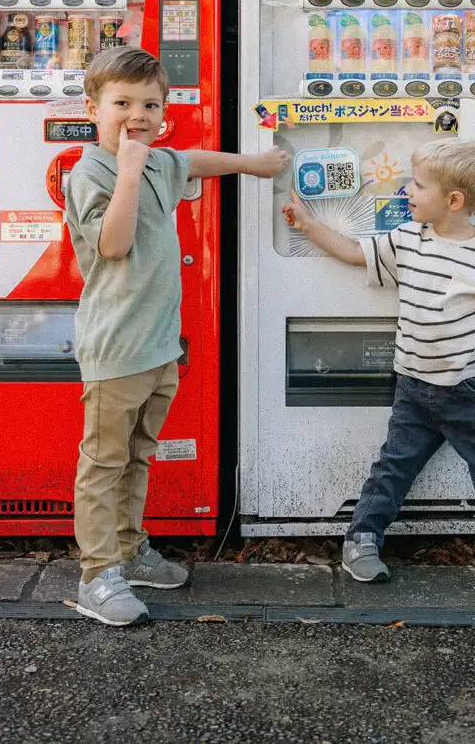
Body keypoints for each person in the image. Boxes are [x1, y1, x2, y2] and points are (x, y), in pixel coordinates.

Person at [66, 46, 287, 626]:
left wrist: (251, 164)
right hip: (115, 347)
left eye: (150, 105)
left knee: (138, 455)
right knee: (103, 463)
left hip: (160, 345)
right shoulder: (90, 172)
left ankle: (131, 549)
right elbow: (112, 246)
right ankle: (97, 575)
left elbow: (194, 160)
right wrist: (131, 169)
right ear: (93, 108)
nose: (136, 115)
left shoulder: (161, 160)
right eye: (122, 104)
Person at [282, 137, 475, 600]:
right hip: (413, 385)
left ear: (453, 201)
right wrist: (310, 227)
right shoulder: (407, 239)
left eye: (418, 185)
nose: (406, 191)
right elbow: (356, 252)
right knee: (393, 467)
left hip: (473, 389)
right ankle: (361, 539)